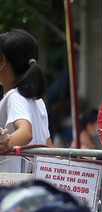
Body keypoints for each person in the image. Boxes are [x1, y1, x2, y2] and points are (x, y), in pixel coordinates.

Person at [0, 28, 52, 173]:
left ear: (3, 61)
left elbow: (25, 132)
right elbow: (48, 147)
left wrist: (7, 142)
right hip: (33, 188)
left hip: (12, 189)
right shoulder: (37, 101)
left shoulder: (15, 97)